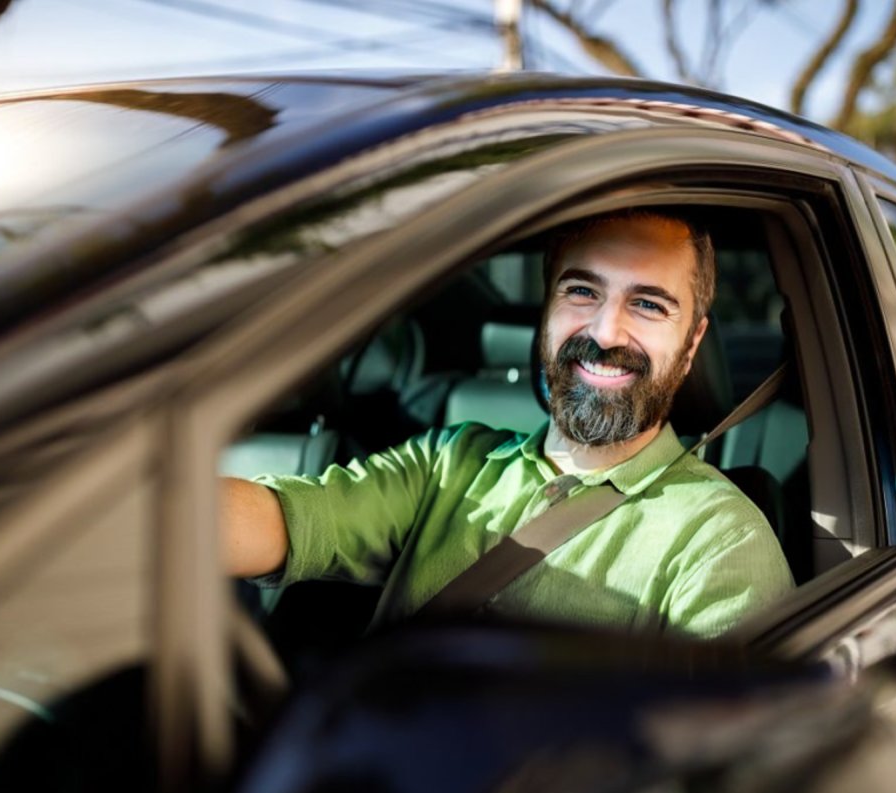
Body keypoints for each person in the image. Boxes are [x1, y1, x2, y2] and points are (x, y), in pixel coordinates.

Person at [222, 209, 794, 637]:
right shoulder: (449, 461)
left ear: (692, 345)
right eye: (581, 291)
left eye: (648, 304)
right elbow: (282, 520)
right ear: (545, 313)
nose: (605, 333)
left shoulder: (719, 541)